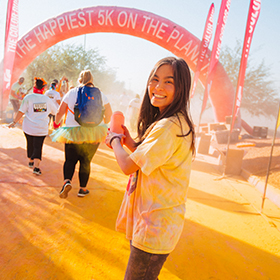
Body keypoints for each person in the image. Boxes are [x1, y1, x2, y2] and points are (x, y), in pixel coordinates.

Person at [105, 57, 195, 280]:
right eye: (155, 80)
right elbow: (151, 161)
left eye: (168, 82)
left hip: (155, 226)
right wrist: (129, 143)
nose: (158, 87)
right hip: (158, 223)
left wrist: (115, 140)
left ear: (181, 88)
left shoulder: (167, 127)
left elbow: (127, 166)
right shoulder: (176, 122)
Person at [52, 69, 112, 198]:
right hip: (94, 132)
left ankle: (67, 181)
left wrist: (56, 123)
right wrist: (103, 122)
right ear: (92, 80)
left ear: (80, 80)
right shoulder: (100, 94)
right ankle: (82, 189)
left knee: (70, 160)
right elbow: (109, 114)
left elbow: (59, 112)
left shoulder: (72, 92)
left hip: (73, 132)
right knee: (86, 161)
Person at [8, 77, 57, 175]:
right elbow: (55, 111)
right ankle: (36, 167)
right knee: (38, 147)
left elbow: (21, 111)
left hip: (28, 127)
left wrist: (14, 122)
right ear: (43, 88)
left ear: (34, 86)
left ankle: (31, 161)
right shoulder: (47, 99)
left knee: (30, 144)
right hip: (41, 128)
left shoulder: (28, 98)